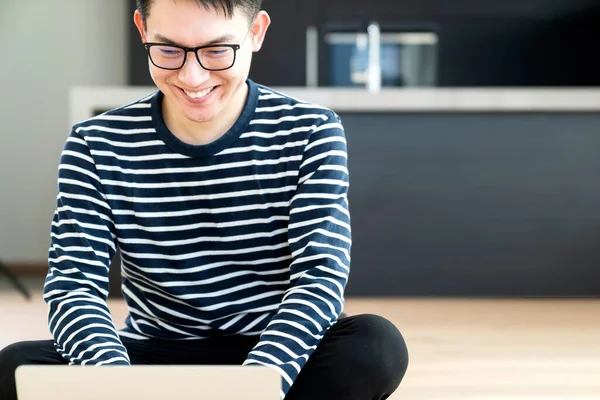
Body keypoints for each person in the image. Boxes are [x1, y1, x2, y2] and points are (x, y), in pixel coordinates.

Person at [0, 1, 408, 398]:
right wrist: (115, 384)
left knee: (375, 347)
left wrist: (255, 387)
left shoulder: (311, 131)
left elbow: (319, 278)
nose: (192, 77)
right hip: (151, 354)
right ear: (142, 31)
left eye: (217, 51)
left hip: (273, 351)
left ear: (256, 33)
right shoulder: (94, 144)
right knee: (14, 368)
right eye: (168, 50)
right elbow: (75, 286)